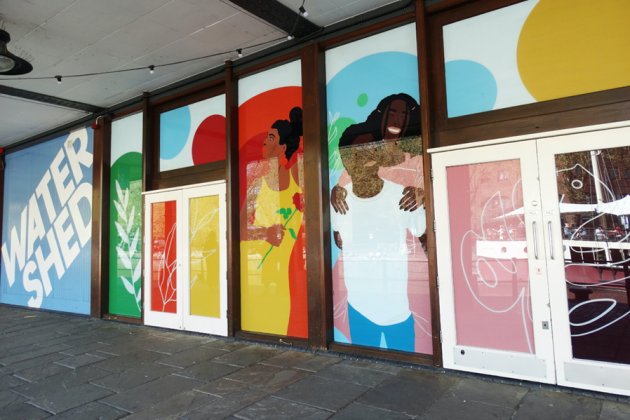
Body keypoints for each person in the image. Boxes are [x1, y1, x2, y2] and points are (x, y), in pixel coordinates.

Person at [331, 122, 426, 352]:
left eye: (372, 149)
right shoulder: (340, 202)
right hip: (358, 309)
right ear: (347, 161)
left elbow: (426, 239)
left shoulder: (402, 196)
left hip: (399, 313)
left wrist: (424, 197)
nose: (367, 156)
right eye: (357, 152)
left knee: (407, 375)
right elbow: (340, 240)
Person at [240, 107, 307, 337]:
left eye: (271, 138)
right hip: (263, 275)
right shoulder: (257, 181)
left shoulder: (298, 175)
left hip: (296, 273)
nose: (264, 143)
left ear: (283, 147)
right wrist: (265, 233)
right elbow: (240, 230)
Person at [331, 93, 425, 214]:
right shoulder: (365, 154)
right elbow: (344, 184)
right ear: (381, 116)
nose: (396, 121)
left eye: (403, 116)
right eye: (391, 114)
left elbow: (433, 188)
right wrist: (336, 191)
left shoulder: (417, 159)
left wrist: (423, 194)